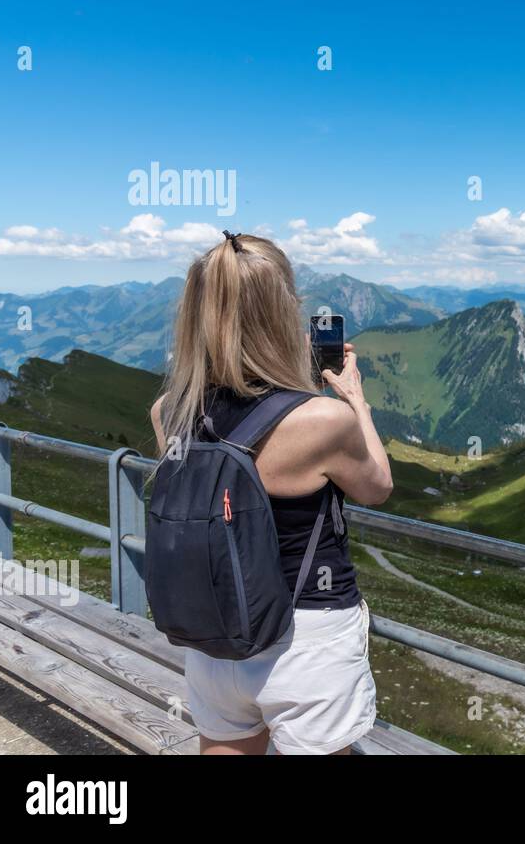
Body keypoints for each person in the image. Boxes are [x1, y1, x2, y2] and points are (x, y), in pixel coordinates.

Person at [149, 232, 394, 755]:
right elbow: (377, 487)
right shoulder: (325, 420)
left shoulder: (170, 412)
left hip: (217, 633)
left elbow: (243, 428)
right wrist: (354, 401)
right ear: (285, 312)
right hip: (305, 640)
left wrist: (290, 376)